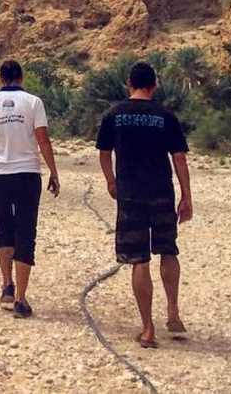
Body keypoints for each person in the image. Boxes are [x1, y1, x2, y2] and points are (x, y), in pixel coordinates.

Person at [96, 60, 192, 349]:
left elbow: (103, 152)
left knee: (139, 258)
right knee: (168, 250)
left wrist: (111, 181)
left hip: (130, 193)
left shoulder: (114, 114)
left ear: (129, 83)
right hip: (161, 191)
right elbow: (179, 158)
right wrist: (186, 195)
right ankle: (173, 311)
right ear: (154, 85)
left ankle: (148, 328)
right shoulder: (166, 116)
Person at [0, 59, 60, 318]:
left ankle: (7, 285)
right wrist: (53, 171)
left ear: (1, 77)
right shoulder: (34, 102)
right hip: (27, 172)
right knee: (26, 230)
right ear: (21, 77)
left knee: (3, 226)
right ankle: (21, 300)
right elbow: (42, 139)